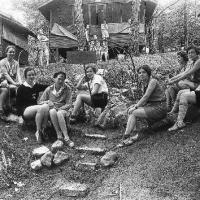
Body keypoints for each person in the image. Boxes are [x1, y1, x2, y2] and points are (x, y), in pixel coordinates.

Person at [121, 65, 167, 144]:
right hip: (152, 106)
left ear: (148, 73)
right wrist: (135, 106)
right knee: (130, 110)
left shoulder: (153, 81)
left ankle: (127, 136)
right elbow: (145, 100)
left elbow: (146, 97)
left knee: (134, 112)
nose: (141, 74)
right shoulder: (144, 83)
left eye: (144, 72)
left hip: (160, 107)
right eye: (139, 73)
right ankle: (132, 134)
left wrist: (136, 106)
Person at [39, 71, 74, 147]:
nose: (61, 81)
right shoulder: (49, 89)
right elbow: (40, 102)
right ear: (54, 79)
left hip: (64, 109)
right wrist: (48, 101)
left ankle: (66, 137)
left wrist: (60, 108)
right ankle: (59, 135)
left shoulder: (67, 89)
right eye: (59, 79)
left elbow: (69, 104)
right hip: (53, 109)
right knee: (52, 111)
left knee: (59, 113)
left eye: (63, 79)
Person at [16, 67, 49, 144]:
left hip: (36, 109)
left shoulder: (36, 85)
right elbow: (18, 104)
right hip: (25, 111)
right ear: (25, 76)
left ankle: (43, 129)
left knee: (45, 106)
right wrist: (20, 116)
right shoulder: (21, 88)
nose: (31, 77)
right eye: (29, 75)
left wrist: (57, 83)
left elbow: (47, 87)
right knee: (42, 107)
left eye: (33, 75)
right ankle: (38, 131)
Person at [0, 45, 22, 117]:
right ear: (6, 52)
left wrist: (20, 82)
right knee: (11, 87)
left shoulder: (16, 63)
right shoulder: (2, 62)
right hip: (3, 80)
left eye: (13, 52)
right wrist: (15, 83)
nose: (12, 53)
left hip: (12, 81)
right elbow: (5, 74)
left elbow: (18, 73)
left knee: (20, 88)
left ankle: (18, 107)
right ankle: (8, 108)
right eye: (10, 52)